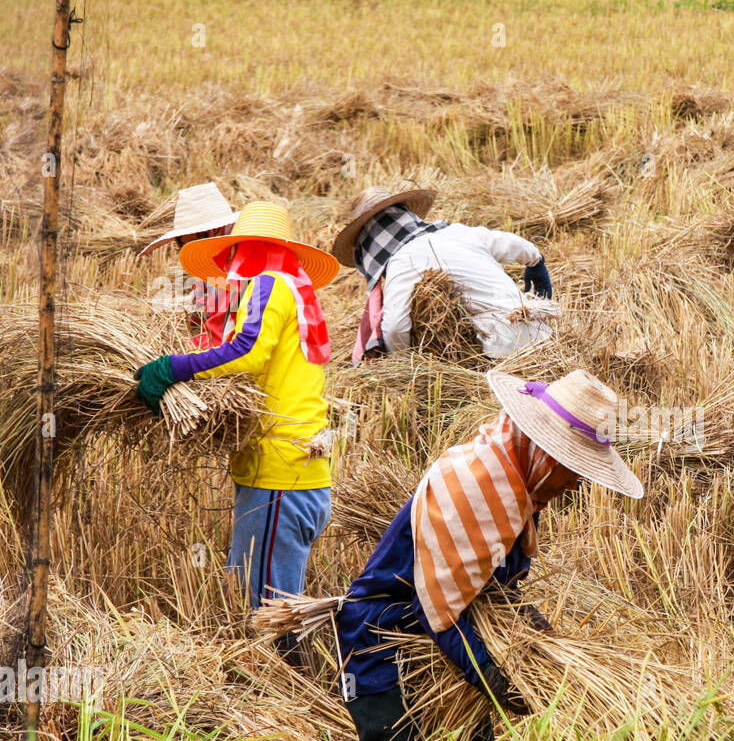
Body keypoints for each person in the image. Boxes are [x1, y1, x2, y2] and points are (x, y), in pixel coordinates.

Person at [335, 368, 644, 741]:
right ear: (545, 454)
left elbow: (488, 583)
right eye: (574, 469)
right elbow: (440, 608)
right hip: (383, 642)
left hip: (444, 647)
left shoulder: (516, 486)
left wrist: (528, 623)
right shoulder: (475, 487)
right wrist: (493, 677)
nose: (577, 485)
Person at [132, 202, 340, 662]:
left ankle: (289, 707)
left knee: (270, 613)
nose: (230, 267)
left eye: (234, 255)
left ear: (244, 249)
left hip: (280, 477)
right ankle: (286, 693)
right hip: (292, 472)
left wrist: (173, 368)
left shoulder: (269, 283)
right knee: (269, 599)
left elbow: (245, 351)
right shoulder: (291, 286)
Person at [330, 187, 556, 363]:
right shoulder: (457, 231)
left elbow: (396, 326)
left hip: (502, 350)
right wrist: (536, 264)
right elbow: (515, 244)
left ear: (370, 244)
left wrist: (405, 364)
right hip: (542, 334)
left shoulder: (401, 261)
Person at [137, 182, 243, 349]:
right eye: (182, 244)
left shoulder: (241, 258)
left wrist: (188, 356)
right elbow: (200, 314)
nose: (189, 251)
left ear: (210, 232)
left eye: (192, 242)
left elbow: (224, 332)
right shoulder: (211, 259)